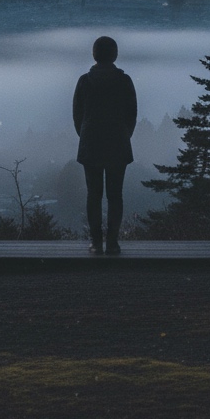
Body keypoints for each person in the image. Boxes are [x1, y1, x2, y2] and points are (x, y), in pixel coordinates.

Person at [72, 35, 137, 255]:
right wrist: (124, 135)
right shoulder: (124, 81)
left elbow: (77, 115)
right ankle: (113, 242)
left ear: (94, 55)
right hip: (118, 143)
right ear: (115, 55)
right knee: (115, 195)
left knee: (94, 195)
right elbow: (132, 114)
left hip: (90, 143)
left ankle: (96, 242)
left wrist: (86, 135)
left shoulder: (84, 81)